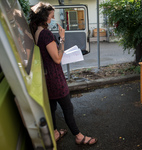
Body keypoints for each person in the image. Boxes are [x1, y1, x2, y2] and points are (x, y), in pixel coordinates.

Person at [29, 2, 97, 145]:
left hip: (47, 76)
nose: (53, 19)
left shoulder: (36, 32)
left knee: (52, 107)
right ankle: (78, 136)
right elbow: (57, 58)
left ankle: (54, 133)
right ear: (45, 16)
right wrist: (62, 38)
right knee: (67, 107)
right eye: (51, 16)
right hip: (55, 78)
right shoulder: (46, 34)